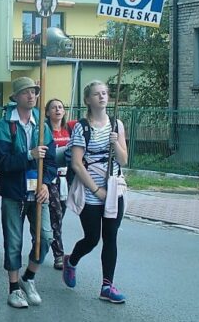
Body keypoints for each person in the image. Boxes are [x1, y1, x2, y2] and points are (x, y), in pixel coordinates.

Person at [0, 77, 56, 308]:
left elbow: (50, 159)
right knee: (13, 242)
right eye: (26, 92)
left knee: (46, 237)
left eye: (34, 92)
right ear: (16, 97)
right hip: (13, 192)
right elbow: (0, 163)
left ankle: (28, 277)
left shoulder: (42, 125)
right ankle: (14, 289)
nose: (32, 96)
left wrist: (46, 183)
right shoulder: (4, 125)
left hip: (38, 192)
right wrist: (28, 155)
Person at [63, 80, 128, 303]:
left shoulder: (116, 125)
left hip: (113, 189)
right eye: (96, 94)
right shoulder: (82, 127)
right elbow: (77, 164)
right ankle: (71, 261)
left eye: (104, 93)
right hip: (91, 190)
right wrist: (96, 190)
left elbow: (124, 159)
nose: (102, 97)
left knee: (111, 237)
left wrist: (115, 143)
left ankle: (107, 286)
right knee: (92, 238)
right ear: (88, 100)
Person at [45, 98, 76, 269]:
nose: (57, 110)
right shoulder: (45, 131)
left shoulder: (70, 128)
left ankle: (43, 242)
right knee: (55, 215)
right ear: (47, 112)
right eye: (53, 107)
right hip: (51, 179)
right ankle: (59, 255)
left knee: (59, 217)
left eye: (60, 107)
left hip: (67, 179)